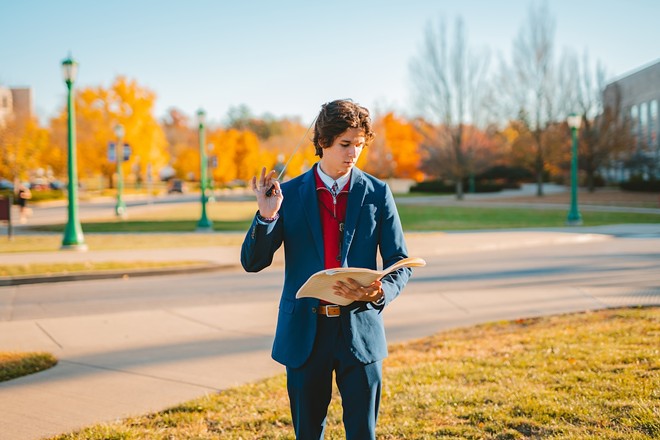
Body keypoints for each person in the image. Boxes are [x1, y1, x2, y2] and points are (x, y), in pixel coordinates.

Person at [241, 99, 412, 439]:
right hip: (305, 333)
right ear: (323, 142)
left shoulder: (378, 193)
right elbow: (253, 262)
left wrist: (381, 291)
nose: (353, 154)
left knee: (363, 433)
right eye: (345, 144)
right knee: (307, 434)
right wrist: (267, 216)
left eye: (359, 146)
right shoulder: (287, 194)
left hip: (360, 331)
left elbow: (399, 263)